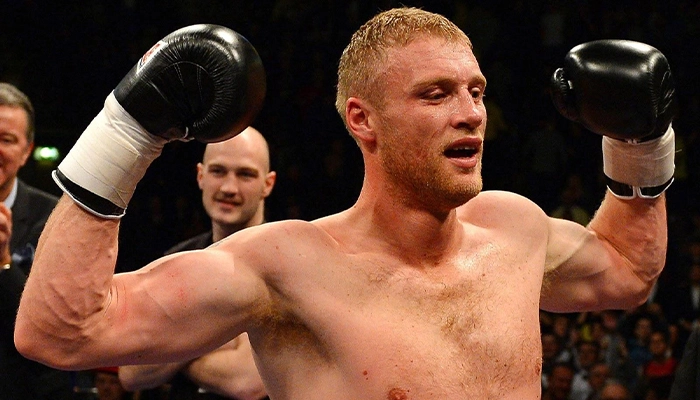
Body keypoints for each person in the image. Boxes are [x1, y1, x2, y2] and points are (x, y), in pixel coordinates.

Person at [15, 8, 675, 399]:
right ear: (364, 120)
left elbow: (628, 271)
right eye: (436, 94)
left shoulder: (515, 229)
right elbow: (62, 332)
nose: (471, 113)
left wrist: (642, 143)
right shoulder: (288, 264)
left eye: (475, 91)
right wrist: (124, 133)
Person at [119, 127, 275, 399]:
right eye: (218, 171)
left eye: (245, 174)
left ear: (268, 184)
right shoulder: (173, 261)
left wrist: (173, 343)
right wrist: (219, 340)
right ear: (200, 175)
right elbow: (131, 373)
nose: (229, 187)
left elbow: (247, 381)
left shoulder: (286, 264)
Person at [0, 82, 70, 398]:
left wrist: (2, 262)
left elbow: (50, 329)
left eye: (6, 140)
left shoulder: (54, 218)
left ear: (27, 151)